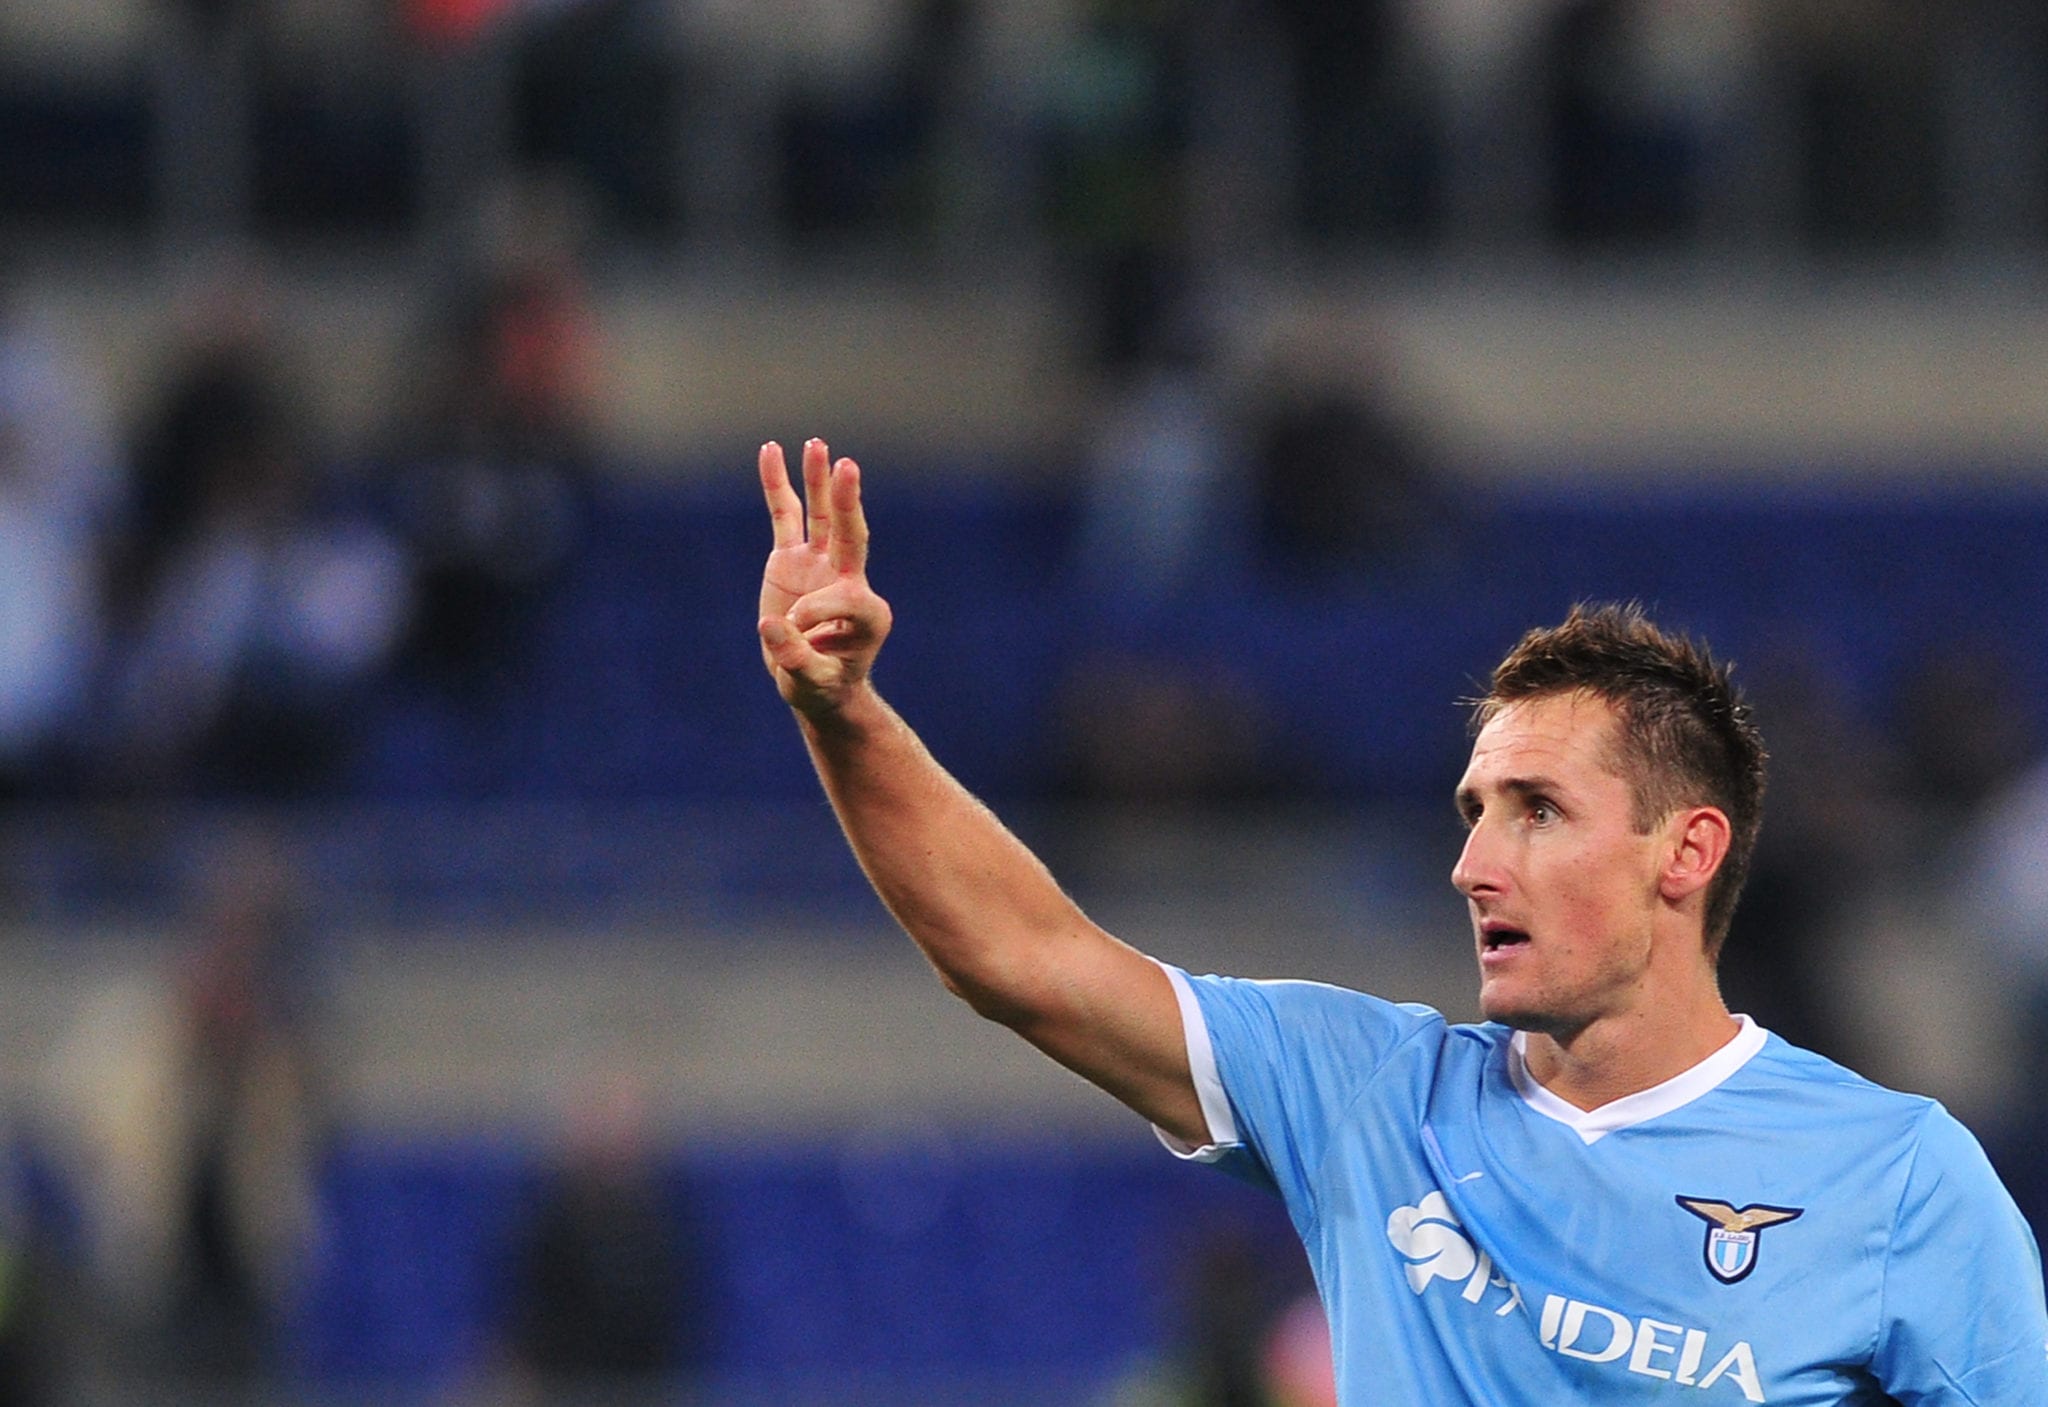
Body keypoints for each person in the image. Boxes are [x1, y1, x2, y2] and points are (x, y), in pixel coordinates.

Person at [753, 438, 2048, 1404]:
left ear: (1686, 851)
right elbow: (1022, 958)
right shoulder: (1366, 1094)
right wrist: (843, 714)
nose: (1473, 865)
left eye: (1538, 812)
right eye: (1475, 812)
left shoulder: (1901, 1181)